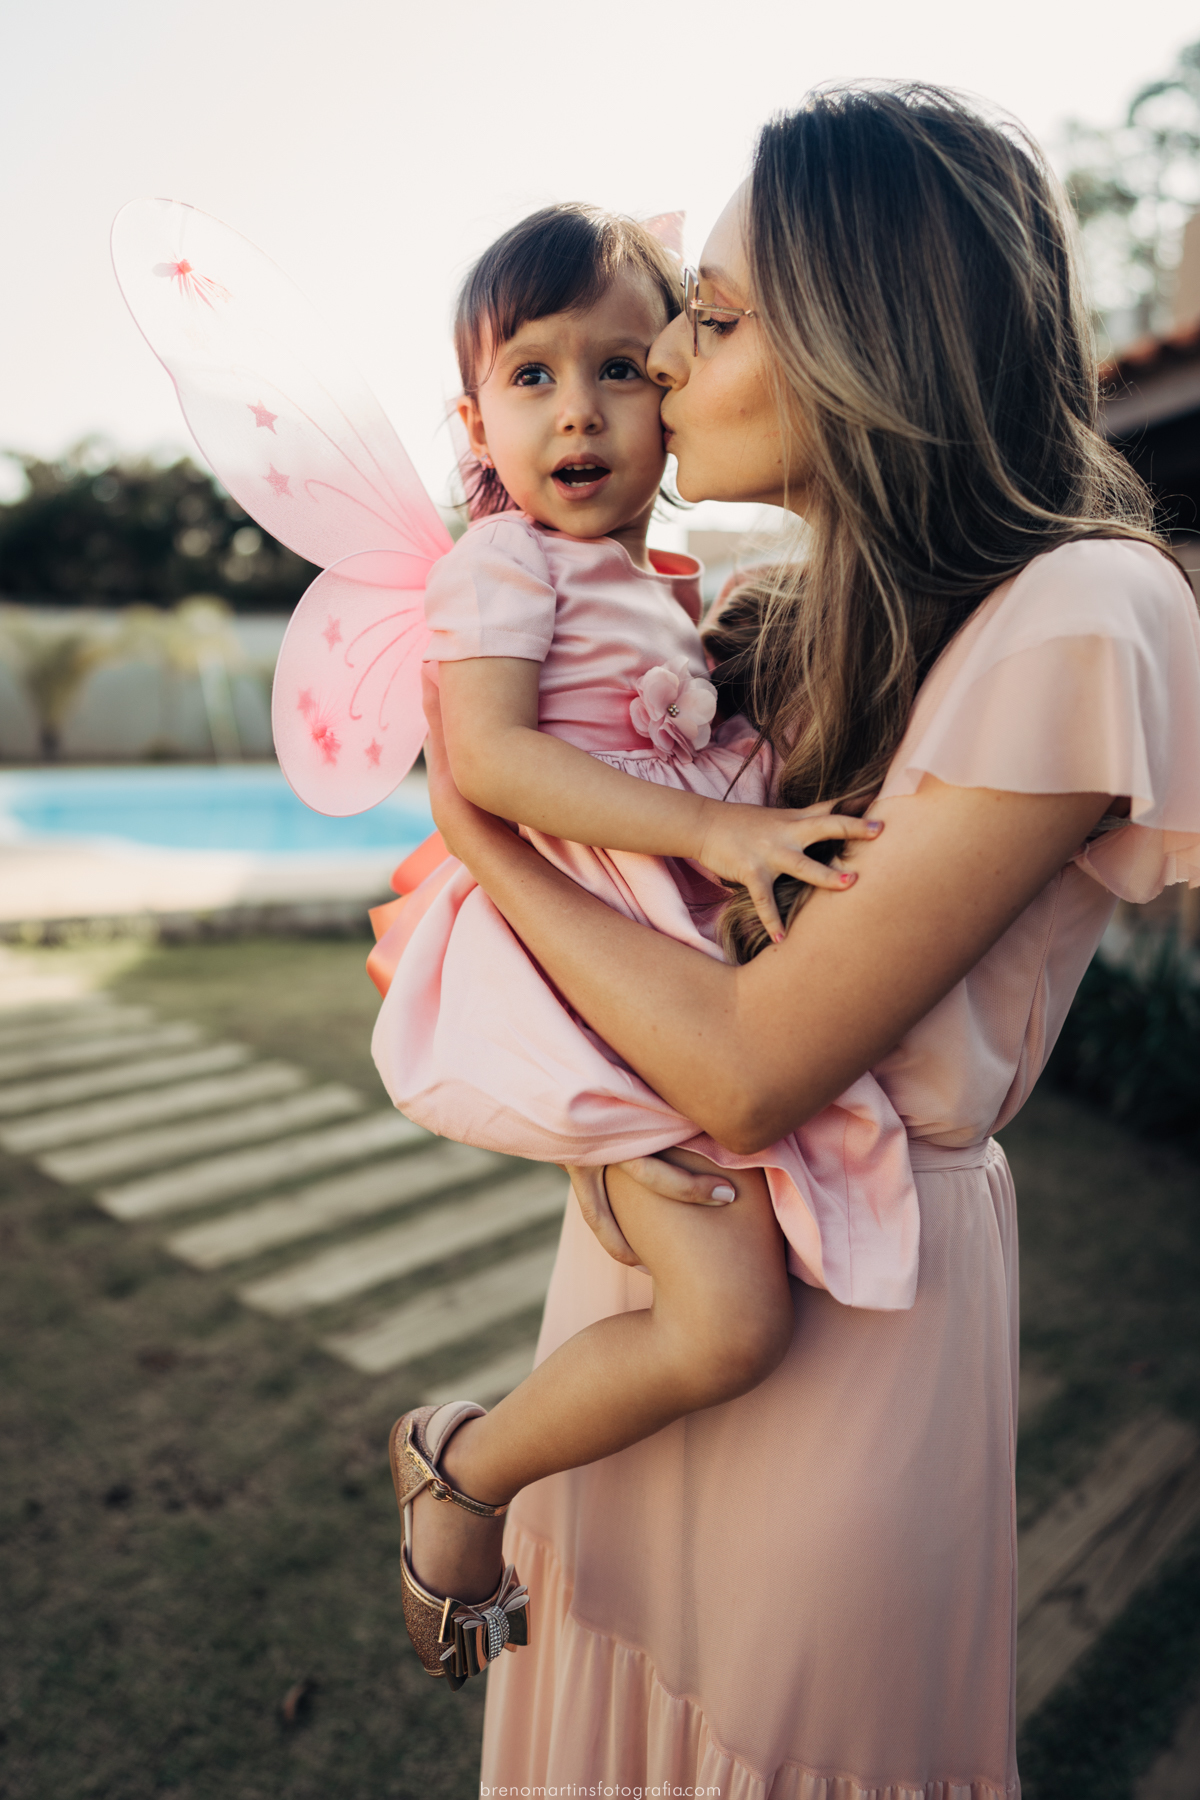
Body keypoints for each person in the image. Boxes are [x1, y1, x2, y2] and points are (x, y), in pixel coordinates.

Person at [418, 86, 1200, 1796]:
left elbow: (754, 1066)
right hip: (676, 1264)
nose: (664, 367)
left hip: (859, 1328)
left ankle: (455, 1474)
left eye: (708, 317)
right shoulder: (781, 625)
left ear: (868, 330)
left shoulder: (1086, 606)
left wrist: (486, 834)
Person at [376, 202, 920, 1689]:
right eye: (533, 376)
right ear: (475, 419)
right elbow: (487, 762)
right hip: (582, 966)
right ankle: (462, 1465)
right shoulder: (504, 572)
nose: (581, 409)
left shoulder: (673, 591)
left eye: (622, 367)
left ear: (673, 396)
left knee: (759, 1281)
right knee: (730, 1322)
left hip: (656, 963)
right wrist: (719, 837)